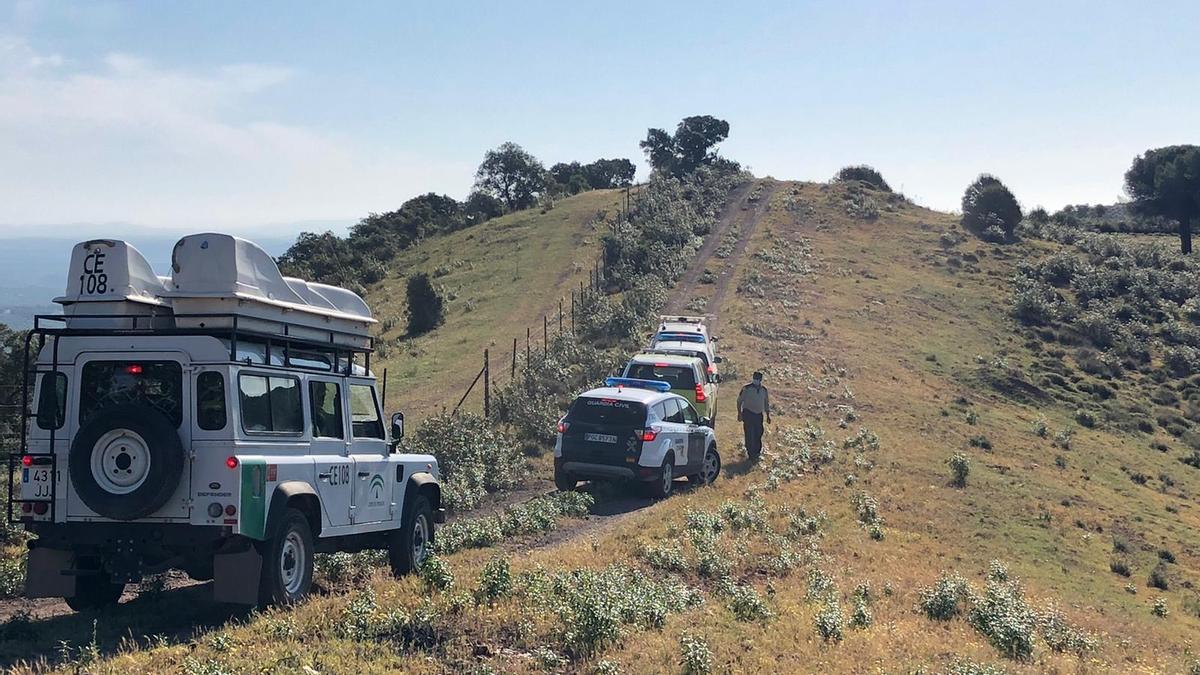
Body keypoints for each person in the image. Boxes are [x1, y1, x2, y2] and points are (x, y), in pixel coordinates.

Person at [737, 371, 771, 460]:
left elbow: (766, 403)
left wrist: (768, 415)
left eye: (758, 379)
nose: (756, 380)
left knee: (759, 432)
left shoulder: (764, 390)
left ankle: (757, 451)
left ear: (760, 380)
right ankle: (750, 453)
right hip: (748, 413)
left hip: (758, 415)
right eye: (755, 379)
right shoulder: (746, 389)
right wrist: (739, 413)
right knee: (749, 433)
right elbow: (739, 401)